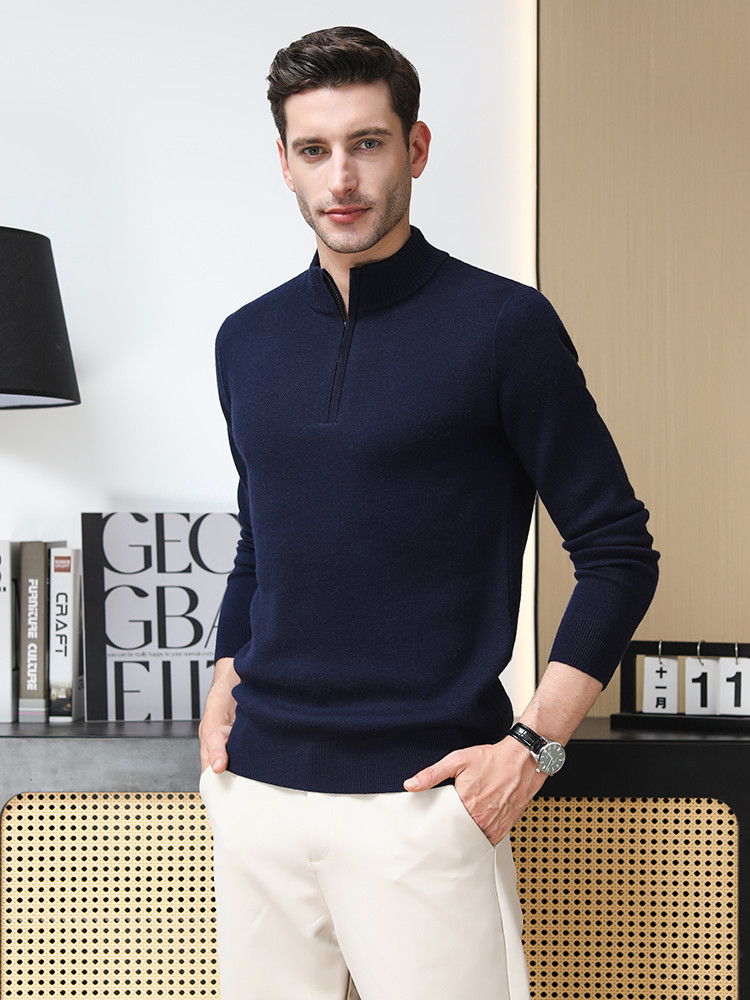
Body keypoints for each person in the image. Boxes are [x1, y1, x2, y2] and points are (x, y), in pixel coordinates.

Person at [199, 25, 658, 1000]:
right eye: (315, 149)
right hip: (256, 796)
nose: (342, 178)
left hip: (422, 803)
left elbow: (617, 549)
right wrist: (225, 674)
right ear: (283, 162)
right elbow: (261, 542)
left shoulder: (504, 326)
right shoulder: (245, 339)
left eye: (366, 143)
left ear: (415, 147)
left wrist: (533, 747)